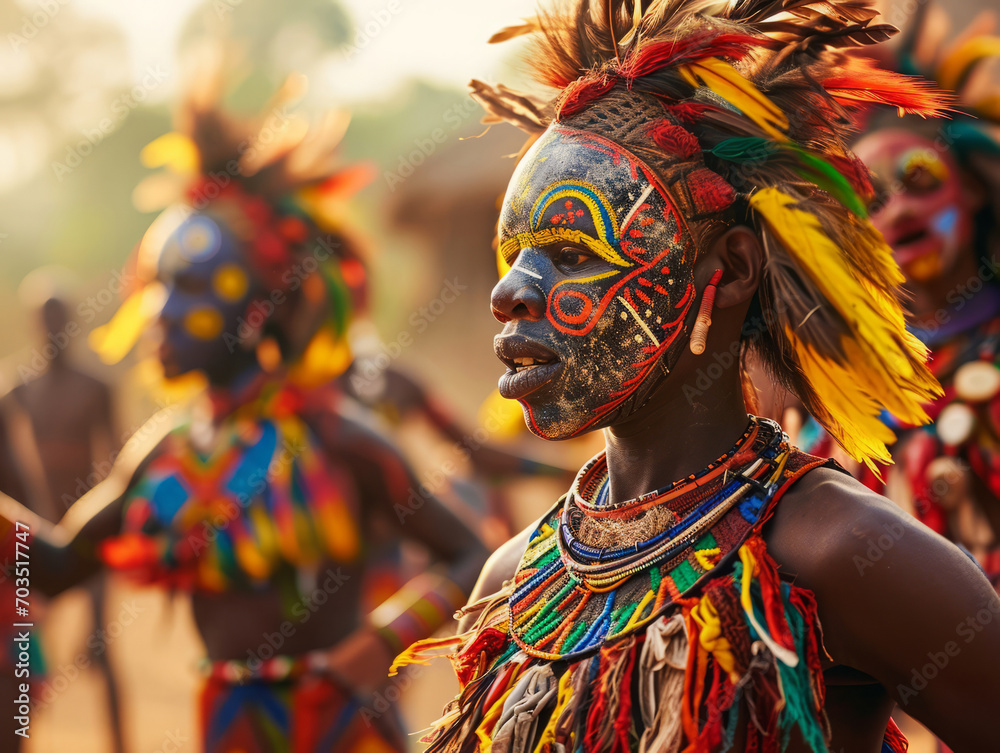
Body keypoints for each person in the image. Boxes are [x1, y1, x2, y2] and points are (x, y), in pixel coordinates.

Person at [391, 0, 1000, 750]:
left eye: (574, 253)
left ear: (730, 269)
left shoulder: (839, 554)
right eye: (512, 252)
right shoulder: (511, 584)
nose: (509, 291)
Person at [0, 73, 488, 753]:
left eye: (191, 288)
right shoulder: (165, 449)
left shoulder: (337, 437)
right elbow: (53, 565)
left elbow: (472, 552)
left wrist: (382, 642)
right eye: (158, 286)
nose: (159, 313)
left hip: (342, 726)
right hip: (228, 729)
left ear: (263, 306)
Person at [795, 6, 1000, 584]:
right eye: (872, 199)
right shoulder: (824, 382)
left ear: (975, 189)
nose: (900, 209)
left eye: (921, 181)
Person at [0, 290, 124, 753]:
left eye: (59, 319)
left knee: (102, 651)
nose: (52, 330)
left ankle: (120, 742)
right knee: (26, 653)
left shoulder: (94, 388)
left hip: (83, 536)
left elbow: (114, 466)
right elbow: (18, 481)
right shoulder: (17, 388)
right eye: (44, 319)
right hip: (35, 536)